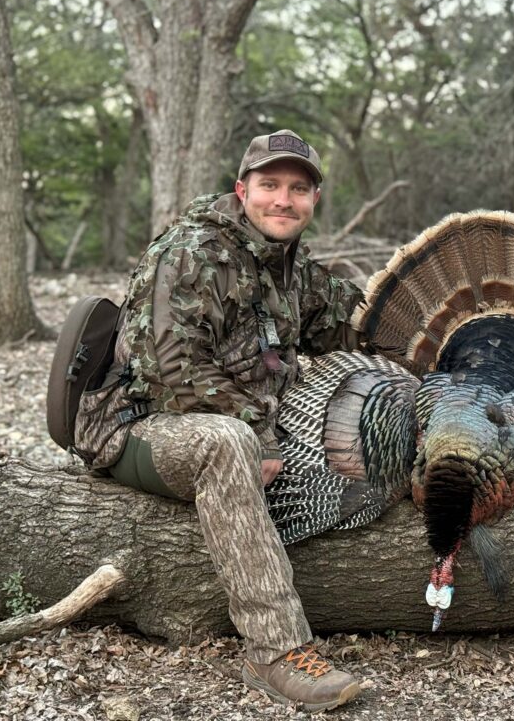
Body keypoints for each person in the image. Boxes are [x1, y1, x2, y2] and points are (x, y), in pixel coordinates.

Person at [74, 130, 365, 712]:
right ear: (242, 190)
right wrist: (259, 436)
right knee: (226, 441)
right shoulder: (194, 252)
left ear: (312, 200)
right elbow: (171, 373)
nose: (283, 200)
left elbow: (354, 323)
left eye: (298, 189)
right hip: (139, 426)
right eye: (270, 186)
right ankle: (273, 651)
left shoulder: (290, 267)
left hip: (227, 425)